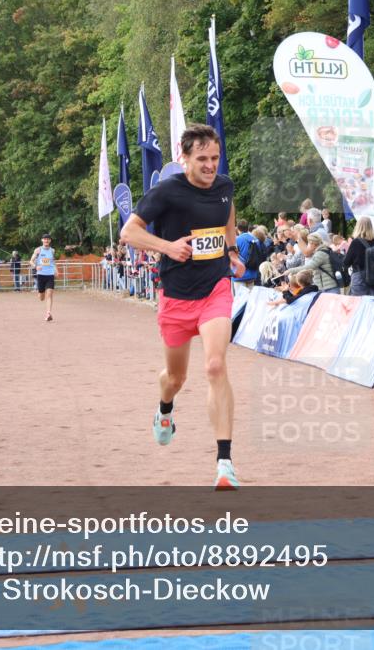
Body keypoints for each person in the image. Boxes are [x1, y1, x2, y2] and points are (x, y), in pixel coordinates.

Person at [120, 123, 246, 490]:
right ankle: (164, 409)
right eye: (202, 159)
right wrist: (168, 247)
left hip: (215, 288)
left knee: (215, 365)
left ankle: (224, 463)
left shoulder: (224, 187)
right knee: (175, 378)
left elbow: (228, 215)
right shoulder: (167, 191)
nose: (210, 166)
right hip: (176, 297)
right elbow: (129, 232)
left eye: (215, 158)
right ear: (184, 158)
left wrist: (232, 249)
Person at [342, 216, 374, 297]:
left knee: (359, 305)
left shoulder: (356, 242)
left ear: (358, 227)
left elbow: (346, 262)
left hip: (359, 279)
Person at [30, 234, 57, 321]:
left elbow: (53, 262)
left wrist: (56, 270)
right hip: (41, 275)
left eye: (48, 239)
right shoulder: (38, 250)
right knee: (41, 297)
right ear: (42, 240)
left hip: (50, 275)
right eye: (45, 239)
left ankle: (48, 313)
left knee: (49, 293)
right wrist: (35, 266)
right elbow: (31, 261)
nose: (46, 240)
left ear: (50, 241)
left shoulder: (52, 251)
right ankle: (41, 293)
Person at [233, 220, 263, 293]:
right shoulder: (255, 240)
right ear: (247, 227)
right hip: (252, 273)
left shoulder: (237, 240)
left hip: (239, 274)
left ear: (237, 228)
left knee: (240, 300)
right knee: (251, 300)